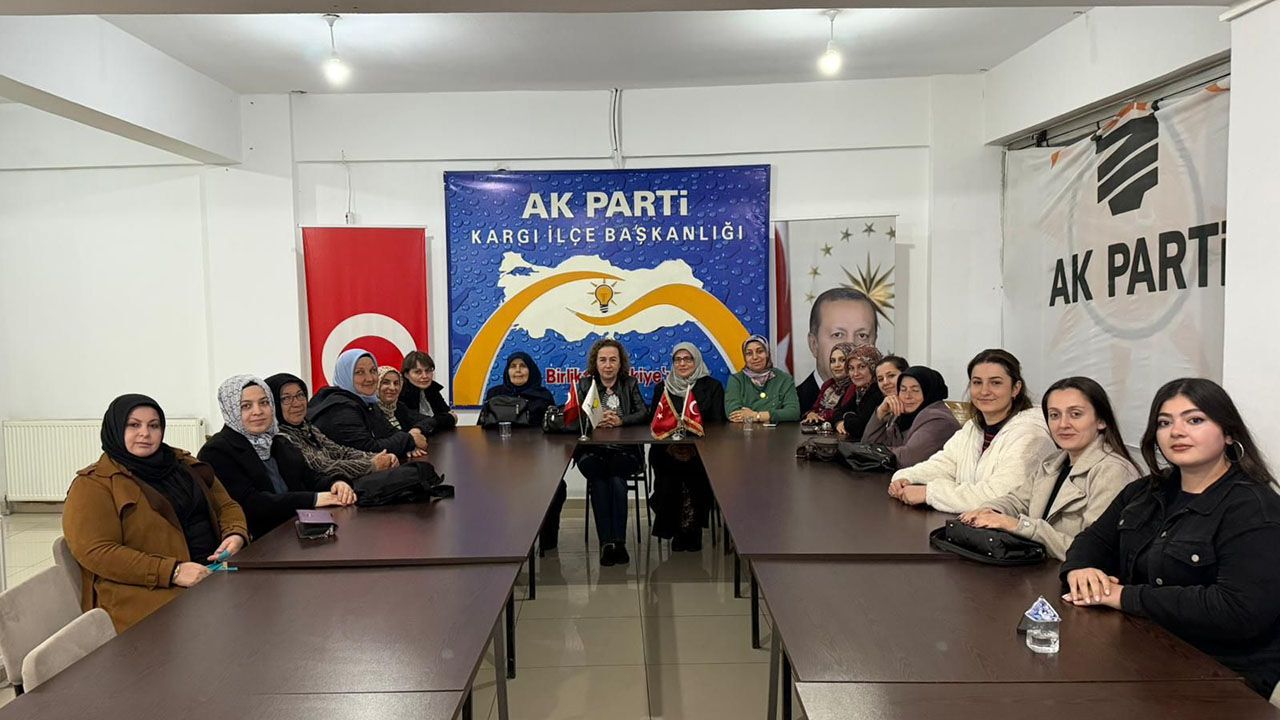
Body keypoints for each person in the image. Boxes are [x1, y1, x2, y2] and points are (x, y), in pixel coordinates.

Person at [1060, 378, 1280, 701]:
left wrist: (1125, 596)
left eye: (1195, 420)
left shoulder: (1255, 507)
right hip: (1141, 651)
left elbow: (1238, 610)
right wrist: (1080, 568)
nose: (1176, 431)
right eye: (1164, 423)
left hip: (1222, 676)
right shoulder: (1144, 491)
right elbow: (1093, 540)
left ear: (1228, 433)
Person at [63, 394, 249, 632]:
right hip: (147, 593)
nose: (145, 433)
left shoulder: (182, 464)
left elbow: (226, 505)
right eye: (133, 425)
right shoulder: (94, 484)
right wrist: (173, 571)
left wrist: (235, 534)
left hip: (211, 573)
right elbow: (96, 552)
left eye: (153, 425)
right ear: (115, 429)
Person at [958, 377, 1140, 560]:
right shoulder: (1053, 462)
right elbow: (1017, 500)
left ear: (1101, 420)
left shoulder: (1113, 471)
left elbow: (1093, 550)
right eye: (1054, 415)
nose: (1063, 424)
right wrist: (989, 511)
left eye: (1075, 414)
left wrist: (1018, 525)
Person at [887, 348, 1056, 513]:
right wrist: (907, 477)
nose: (984, 391)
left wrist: (929, 493)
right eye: (977, 382)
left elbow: (999, 497)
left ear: (1015, 388)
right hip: (970, 525)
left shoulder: (1032, 437)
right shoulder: (973, 428)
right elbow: (944, 464)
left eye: (995, 383)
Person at [199, 375, 357, 539]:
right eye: (246, 406)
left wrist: (336, 483)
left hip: (294, 531)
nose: (258, 411)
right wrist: (314, 499)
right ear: (230, 410)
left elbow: (309, 477)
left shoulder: (277, 441)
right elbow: (251, 504)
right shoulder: (217, 451)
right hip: (257, 541)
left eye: (264, 403)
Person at [573, 338, 648, 566]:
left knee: (616, 479)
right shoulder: (584, 385)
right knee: (599, 480)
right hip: (592, 452)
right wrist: (594, 420)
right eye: (603, 360)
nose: (608, 365)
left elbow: (644, 413)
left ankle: (619, 542)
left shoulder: (630, 383)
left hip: (624, 451)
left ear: (620, 363)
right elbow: (574, 417)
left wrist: (621, 420)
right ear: (595, 363)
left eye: (613, 360)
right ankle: (607, 543)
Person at [647, 342, 726, 551]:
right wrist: (672, 448)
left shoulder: (713, 387)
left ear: (697, 360)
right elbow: (656, 424)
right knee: (669, 470)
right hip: (667, 449)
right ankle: (674, 528)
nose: (682, 364)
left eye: (688, 359)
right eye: (678, 359)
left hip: (702, 449)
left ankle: (692, 529)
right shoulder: (662, 387)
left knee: (693, 470)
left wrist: (692, 448)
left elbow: (717, 424)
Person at [265, 373, 399, 481]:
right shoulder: (280, 438)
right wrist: (372, 465)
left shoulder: (307, 427)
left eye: (300, 395)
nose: (297, 403)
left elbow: (339, 452)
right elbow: (323, 466)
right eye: (286, 398)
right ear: (273, 404)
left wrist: (379, 457)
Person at [308, 348, 429, 460]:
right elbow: (368, 449)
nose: (370, 378)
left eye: (373, 371)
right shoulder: (339, 408)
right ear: (345, 375)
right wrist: (410, 440)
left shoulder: (366, 402)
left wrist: (410, 443)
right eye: (360, 372)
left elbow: (390, 431)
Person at [861, 365, 961, 469]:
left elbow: (907, 459)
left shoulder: (939, 421)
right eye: (903, 389)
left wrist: (869, 451)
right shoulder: (902, 417)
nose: (907, 396)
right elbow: (867, 443)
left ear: (929, 392)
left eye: (915, 390)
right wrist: (881, 412)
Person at [796, 287, 879, 410]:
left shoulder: (887, 403)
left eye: (862, 335)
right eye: (838, 335)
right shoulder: (793, 405)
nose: (851, 348)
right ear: (814, 344)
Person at [725, 335, 801, 423]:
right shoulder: (736, 380)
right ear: (745, 358)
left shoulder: (784, 379)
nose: (755, 357)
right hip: (746, 431)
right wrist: (775, 415)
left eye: (760, 351)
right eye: (749, 353)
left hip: (779, 431)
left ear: (767, 354)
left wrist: (756, 416)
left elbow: (794, 412)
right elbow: (732, 413)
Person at [483, 351, 556, 425]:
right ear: (507, 371)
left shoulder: (543, 396)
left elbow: (552, 425)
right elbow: (482, 425)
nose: (518, 370)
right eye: (513, 366)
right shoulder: (494, 394)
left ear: (531, 370)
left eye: (523, 366)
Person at [832, 344, 885, 439]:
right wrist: (839, 422)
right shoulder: (860, 390)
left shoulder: (878, 390)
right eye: (851, 368)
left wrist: (847, 415)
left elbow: (857, 428)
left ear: (873, 367)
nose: (855, 373)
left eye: (861, 367)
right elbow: (837, 412)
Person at [400, 350, 458, 433]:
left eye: (428, 371)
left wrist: (447, 418)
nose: (425, 376)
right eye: (418, 372)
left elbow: (450, 415)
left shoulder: (432, 389)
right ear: (406, 375)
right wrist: (445, 419)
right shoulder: (401, 393)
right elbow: (415, 422)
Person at [376, 365, 437, 435]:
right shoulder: (371, 411)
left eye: (396, 383)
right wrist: (410, 437)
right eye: (386, 383)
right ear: (375, 385)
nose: (392, 388)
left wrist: (417, 429)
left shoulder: (399, 407)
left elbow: (429, 420)